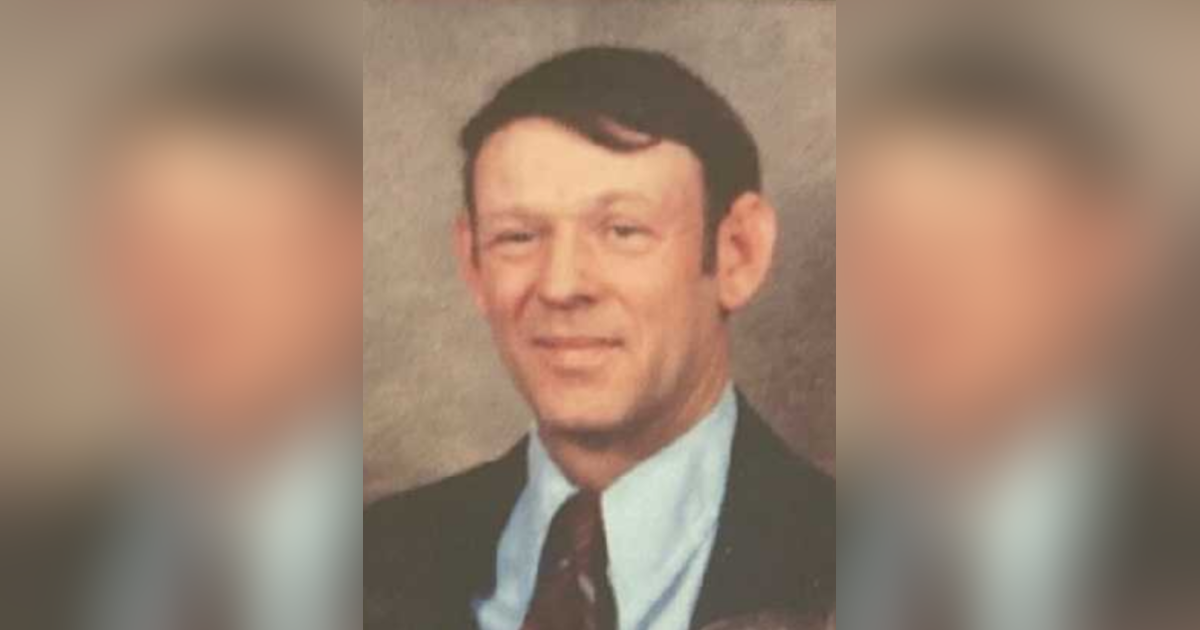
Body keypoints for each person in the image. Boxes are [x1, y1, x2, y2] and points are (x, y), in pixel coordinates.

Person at [365, 46, 835, 630]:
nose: (561, 286)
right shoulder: (367, 564)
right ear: (472, 262)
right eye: (518, 237)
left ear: (738, 253)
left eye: (622, 230)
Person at [838, 45, 1200, 630]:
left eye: (962, 240)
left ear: (1102, 256)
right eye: (879, 245)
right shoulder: (799, 533)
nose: (909, 288)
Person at [5, 41, 362, 630]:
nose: (186, 288)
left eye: (236, 242)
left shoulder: (449, 550)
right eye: (149, 246)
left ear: (339, 258)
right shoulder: (26, 554)